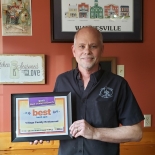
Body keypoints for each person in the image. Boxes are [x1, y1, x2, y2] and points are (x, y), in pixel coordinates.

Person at [31, 26, 144, 155]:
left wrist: (95, 132)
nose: (87, 51)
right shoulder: (62, 81)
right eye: (82, 46)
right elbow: (54, 120)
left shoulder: (118, 84)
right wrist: (39, 130)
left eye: (93, 46)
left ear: (102, 49)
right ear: (74, 50)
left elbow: (136, 132)